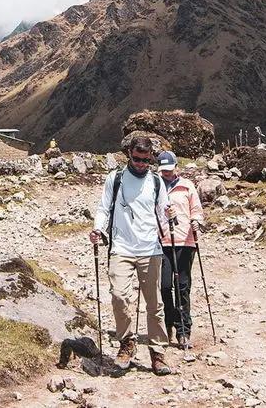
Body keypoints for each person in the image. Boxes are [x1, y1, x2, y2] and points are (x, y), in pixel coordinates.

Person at [90, 136, 174, 375]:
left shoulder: (156, 181)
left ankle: (158, 352)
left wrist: (169, 213)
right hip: (121, 248)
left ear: (150, 158)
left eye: (145, 160)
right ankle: (127, 342)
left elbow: (163, 212)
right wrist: (97, 228)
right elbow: (103, 207)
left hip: (150, 249)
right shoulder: (115, 178)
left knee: (155, 303)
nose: (140, 164)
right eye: (136, 159)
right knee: (118, 295)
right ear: (129, 154)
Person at [156, 151, 204, 348]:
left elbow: (197, 210)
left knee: (182, 286)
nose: (167, 173)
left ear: (176, 167)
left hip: (185, 240)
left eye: (170, 169)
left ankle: (183, 329)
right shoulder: (154, 186)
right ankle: (168, 324)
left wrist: (196, 222)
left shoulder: (187, 186)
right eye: (163, 170)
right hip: (161, 241)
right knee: (166, 286)